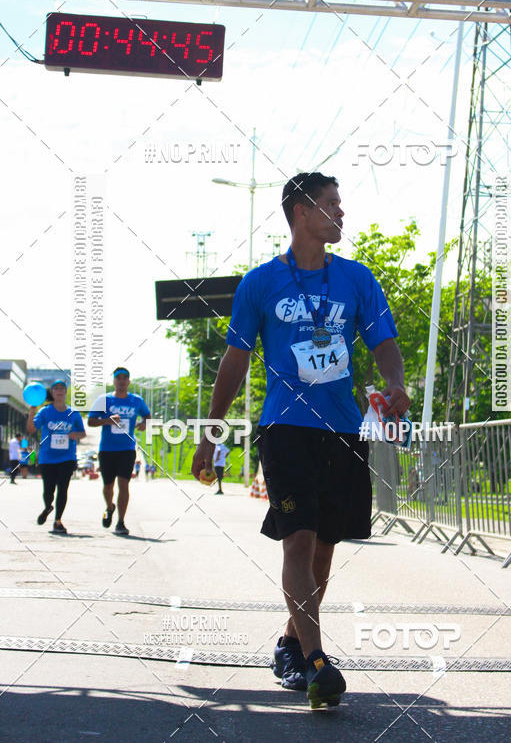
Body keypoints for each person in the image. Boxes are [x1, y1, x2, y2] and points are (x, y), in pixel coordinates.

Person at [192, 172, 410, 708]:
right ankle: (316, 661)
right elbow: (236, 359)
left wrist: (396, 383)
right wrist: (212, 432)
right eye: (332, 203)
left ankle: (291, 641)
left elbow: (384, 341)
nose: (342, 212)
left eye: (341, 203)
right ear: (301, 213)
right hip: (285, 426)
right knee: (299, 538)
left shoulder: (359, 280)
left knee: (324, 551)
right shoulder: (260, 283)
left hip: (341, 427)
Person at [88, 368, 150, 535]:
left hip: (127, 449)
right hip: (107, 449)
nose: (121, 381)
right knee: (108, 486)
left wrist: (144, 424)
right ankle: (110, 507)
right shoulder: (104, 400)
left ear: (129, 382)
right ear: (114, 381)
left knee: (124, 484)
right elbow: (91, 421)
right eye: (118, 378)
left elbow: (148, 415)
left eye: (125, 378)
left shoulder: (136, 401)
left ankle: (121, 522)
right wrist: (108, 421)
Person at [26, 380, 86, 533]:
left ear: (65, 392)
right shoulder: (45, 412)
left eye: (62, 388)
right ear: (52, 393)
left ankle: (58, 520)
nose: (59, 391)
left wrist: (75, 435)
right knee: (48, 490)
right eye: (56, 388)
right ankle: (48, 507)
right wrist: (32, 412)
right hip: (47, 456)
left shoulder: (73, 413)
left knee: (63, 488)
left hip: (67, 456)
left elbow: (83, 433)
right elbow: (32, 429)